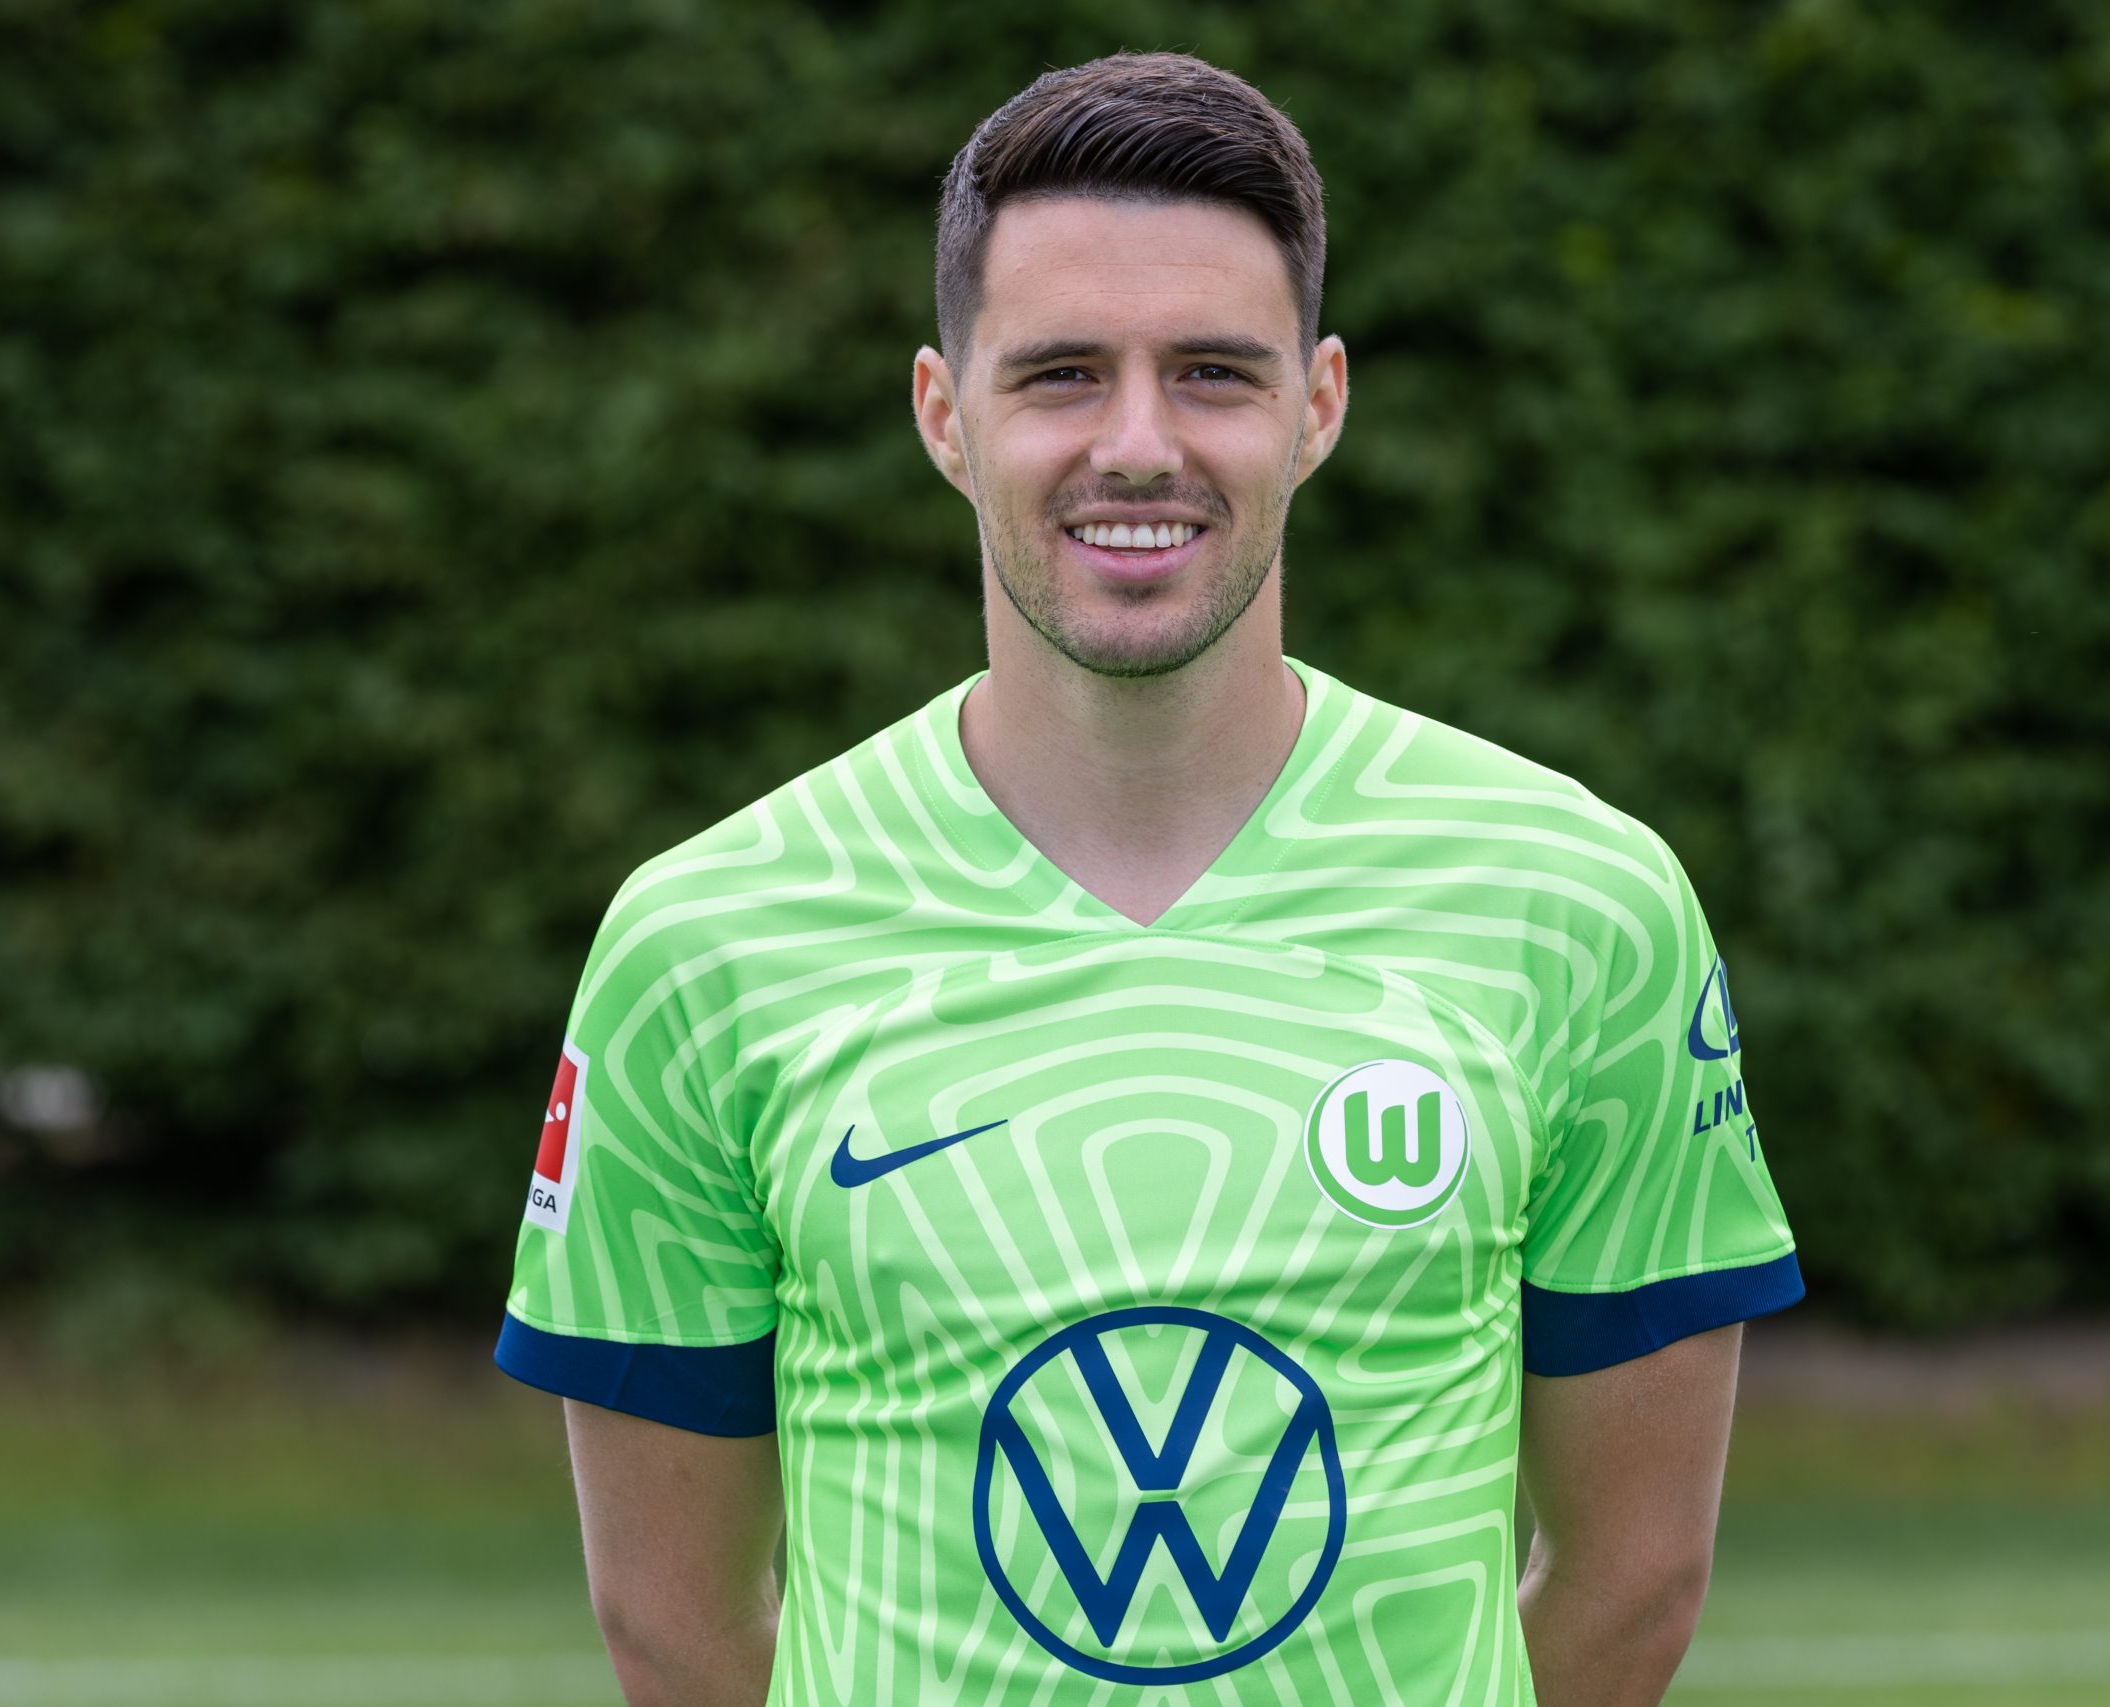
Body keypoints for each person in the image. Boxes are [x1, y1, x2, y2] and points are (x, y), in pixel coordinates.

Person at [494, 50, 1801, 1707]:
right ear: (944, 414)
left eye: (1211, 374)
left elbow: (1634, 1581)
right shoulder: (703, 944)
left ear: (1317, 406)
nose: (1136, 444)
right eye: (1060, 375)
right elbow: (673, 1628)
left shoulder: (1580, 906)